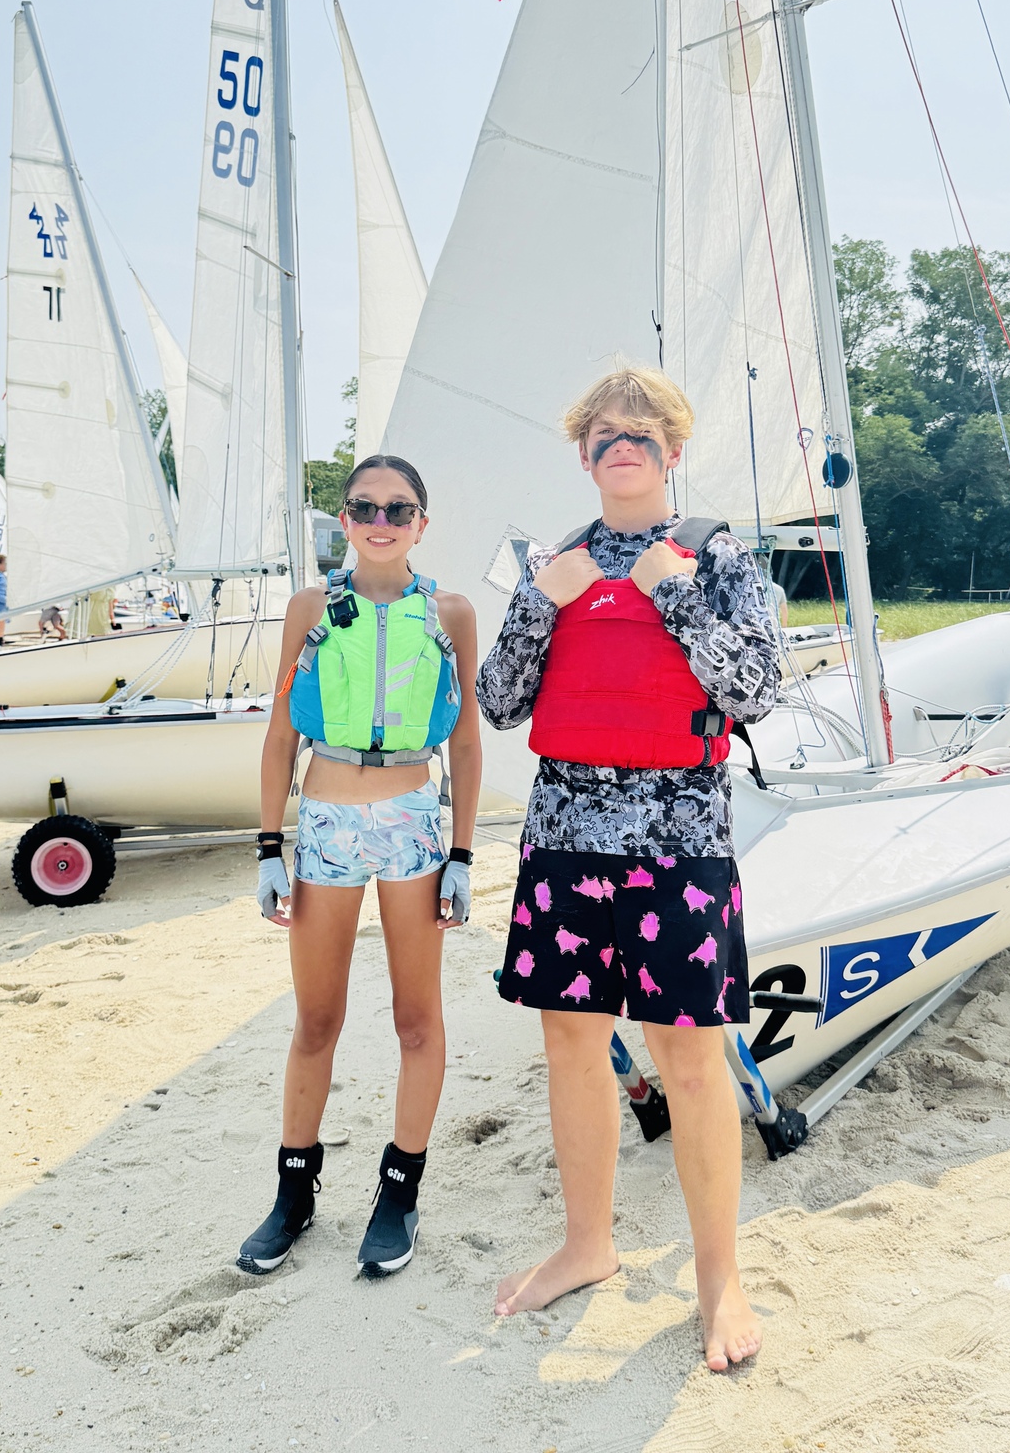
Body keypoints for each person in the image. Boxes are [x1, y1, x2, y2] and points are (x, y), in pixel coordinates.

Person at [476, 367, 781, 1372]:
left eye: (644, 431)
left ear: (673, 452)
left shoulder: (717, 555)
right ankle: (588, 1242)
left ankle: (717, 1274)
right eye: (607, 431)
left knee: (688, 1054)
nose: (625, 442)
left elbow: (755, 689)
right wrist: (535, 602)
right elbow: (501, 702)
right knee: (572, 1044)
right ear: (584, 452)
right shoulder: (552, 561)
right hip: (566, 831)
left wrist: (674, 592)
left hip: (679, 840)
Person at [239, 454, 482, 1281]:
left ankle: (398, 1189)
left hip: (412, 823)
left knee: (417, 1020)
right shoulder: (312, 608)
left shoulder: (449, 612)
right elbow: (279, 736)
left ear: (423, 521)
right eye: (365, 507)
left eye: (399, 508)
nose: (381, 521)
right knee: (317, 1021)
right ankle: (294, 1192)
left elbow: (468, 740)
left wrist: (460, 853)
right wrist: (271, 845)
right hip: (330, 823)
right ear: (343, 519)